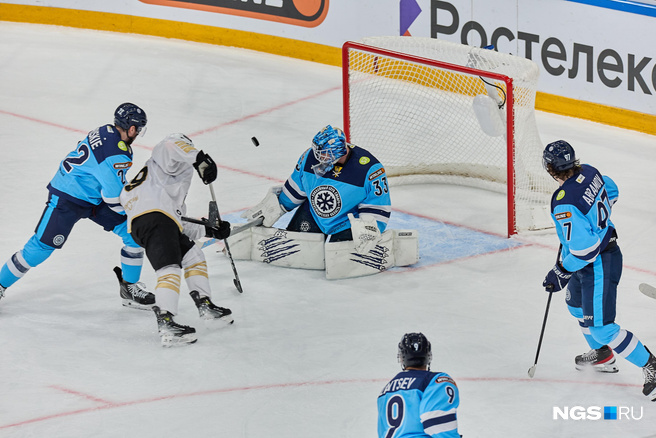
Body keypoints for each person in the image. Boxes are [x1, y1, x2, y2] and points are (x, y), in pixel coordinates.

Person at [0, 103, 155, 309]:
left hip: (93, 195)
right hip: (67, 196)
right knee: (40, 248)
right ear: (132, 128)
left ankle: (129, 287)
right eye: (139, 129)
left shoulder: (106, 130)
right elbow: (113, 198)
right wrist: (136, 213)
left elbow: (111, 182)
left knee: (134, 234)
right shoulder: (116, 153)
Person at [542, 140, 656, 401]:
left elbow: (586, 251)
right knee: (576, 306)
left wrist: (561, 271)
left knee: (603, 328)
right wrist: (593, 220)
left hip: (599, 264)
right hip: (591, 260)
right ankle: (603, 355)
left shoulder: (564, 202)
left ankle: (651, 365)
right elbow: (612, 190)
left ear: (550, 168)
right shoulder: (590, 171)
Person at [232, 125, 418, 279]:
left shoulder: (369, 169)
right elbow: (296, 189)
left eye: (323, 154)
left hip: (347, 222)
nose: (317, 157)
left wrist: (370, 227)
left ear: (337, 152)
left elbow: (377, 205)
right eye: (317, 152)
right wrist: (276, 206)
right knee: (298, 248)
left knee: (338, 257)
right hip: (315, 215)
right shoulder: (308, 158)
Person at [119, 133, 233, 347]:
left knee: (193, 255)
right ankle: (166, 322)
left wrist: (210, 230)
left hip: (152, 223)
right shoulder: (164, 155)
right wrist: (199, 158)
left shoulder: (158, 185)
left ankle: (205, 304)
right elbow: (171, 145)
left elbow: (177, 223)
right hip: (155, 220)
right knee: (169, 268)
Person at [377, 333, 461, 438]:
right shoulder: (435, 380)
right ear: (428, 355)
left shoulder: (385, 391)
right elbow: (437, 424)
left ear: (402, 358)